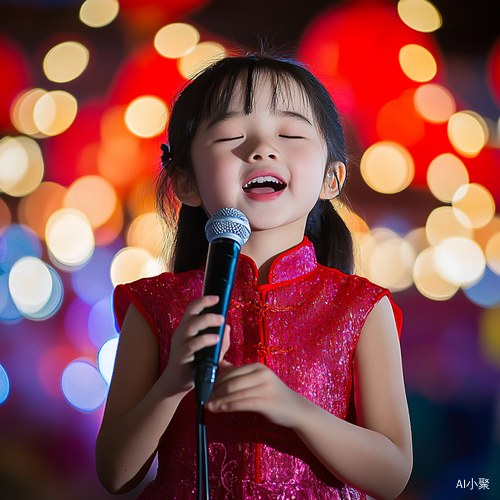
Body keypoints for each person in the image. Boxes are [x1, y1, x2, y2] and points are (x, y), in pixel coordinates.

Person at [95, 53, 412, 500]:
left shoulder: (360, 307)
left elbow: (393, 474)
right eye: (230, 135)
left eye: (291, 133)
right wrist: (173, 383)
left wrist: (296, 410)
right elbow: (114, 473)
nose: (262, 149)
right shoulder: (156, 306)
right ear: (185, 182)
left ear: (331, 177)